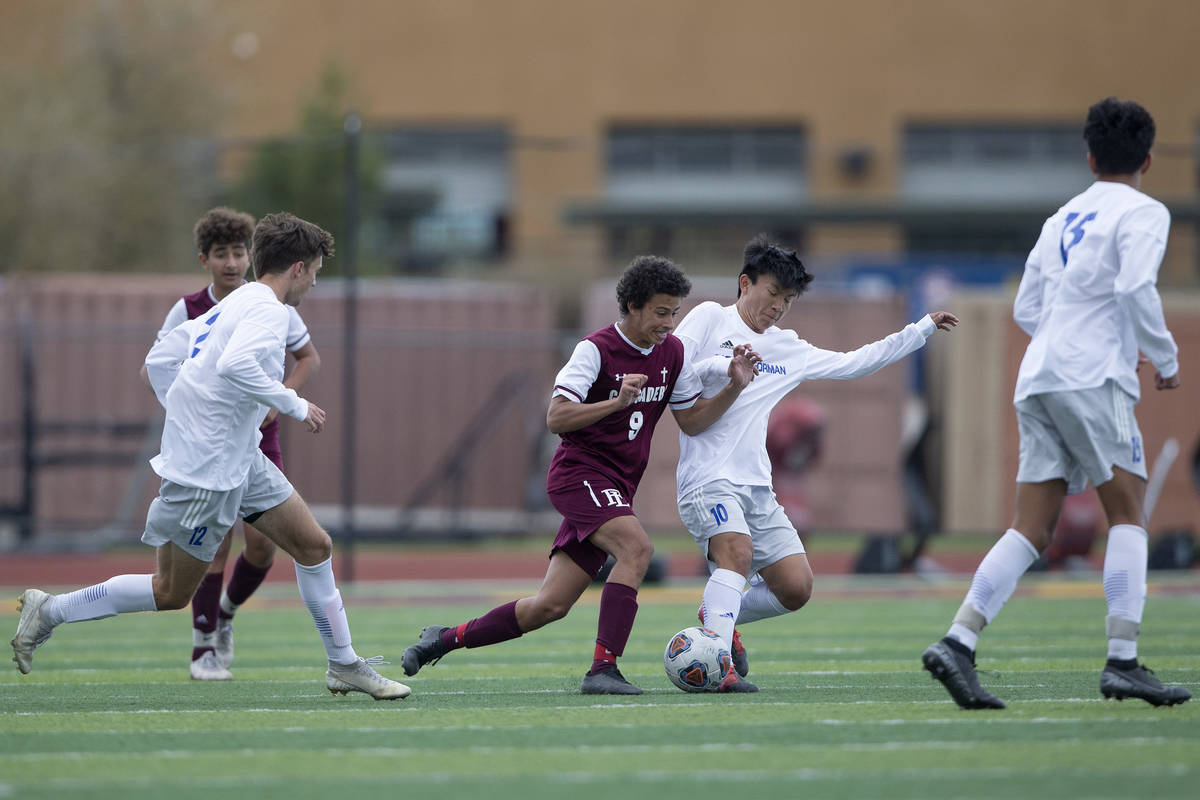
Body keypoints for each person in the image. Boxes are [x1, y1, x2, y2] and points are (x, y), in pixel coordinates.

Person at [11, 212, 409, 701]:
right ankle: (50, 610)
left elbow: (159, 361)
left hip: (238, 458)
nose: (314, 284)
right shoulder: (268, 310)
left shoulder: (239, 300)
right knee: (170, 592)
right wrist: (294, 403)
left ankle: (344, 663)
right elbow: (236, 363)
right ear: (300, 268)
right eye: (317, 273)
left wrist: (190, 411)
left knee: (314, 546)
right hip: (207, 473)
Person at [921, 97, 1191, 709]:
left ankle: (958, 640)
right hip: (1092, 376)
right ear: (1148, 158)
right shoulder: (1145, 211)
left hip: (1038, 372)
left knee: (1032, 526)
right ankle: (1123, 659)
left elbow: (1026, 309)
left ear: (1090, 157)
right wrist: (1165, 359)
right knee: (1127, 512)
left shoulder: (1063, 215)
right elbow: (1135, 287)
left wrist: (1074, 336)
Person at [399, 255, 760, 694]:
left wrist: (734, 387)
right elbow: (556, 416)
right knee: (637, 549)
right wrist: (615, 402)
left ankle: (442, 639)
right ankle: (602, 670)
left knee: (549, 606)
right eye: (660, 312)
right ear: (631, 305)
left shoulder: (673, 353)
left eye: (673, 313)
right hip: (579, 474)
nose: (669, 323)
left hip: (616, 487)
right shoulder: (596, 348)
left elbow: (693, 420)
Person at [674, 234, 958, 692]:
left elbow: (856, 363)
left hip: (756, 487)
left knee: (796, 587)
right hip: (707, 479)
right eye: (773, 294)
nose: (779, 307)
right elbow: (677, 363)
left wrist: (920, 329)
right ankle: (717, 661)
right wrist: (723, 370)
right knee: (737, 556)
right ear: (745, 284)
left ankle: (717, 613)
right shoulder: (710, 317)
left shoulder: (787, 348)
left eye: (787, 300)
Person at [141, 207, 321, 682]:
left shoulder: (267, 302)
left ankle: (224, 615)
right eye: (221, 254)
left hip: (260, 440)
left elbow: (306, 357)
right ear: (205, 259)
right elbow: (159, 364)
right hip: (210, 448)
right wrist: (192, 406)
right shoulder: (189, 308)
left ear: (250, 257)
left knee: (263, 548)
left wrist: (280, 401)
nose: (232, 262)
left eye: (239, 252)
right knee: (212, 546)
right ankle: (203, 647)